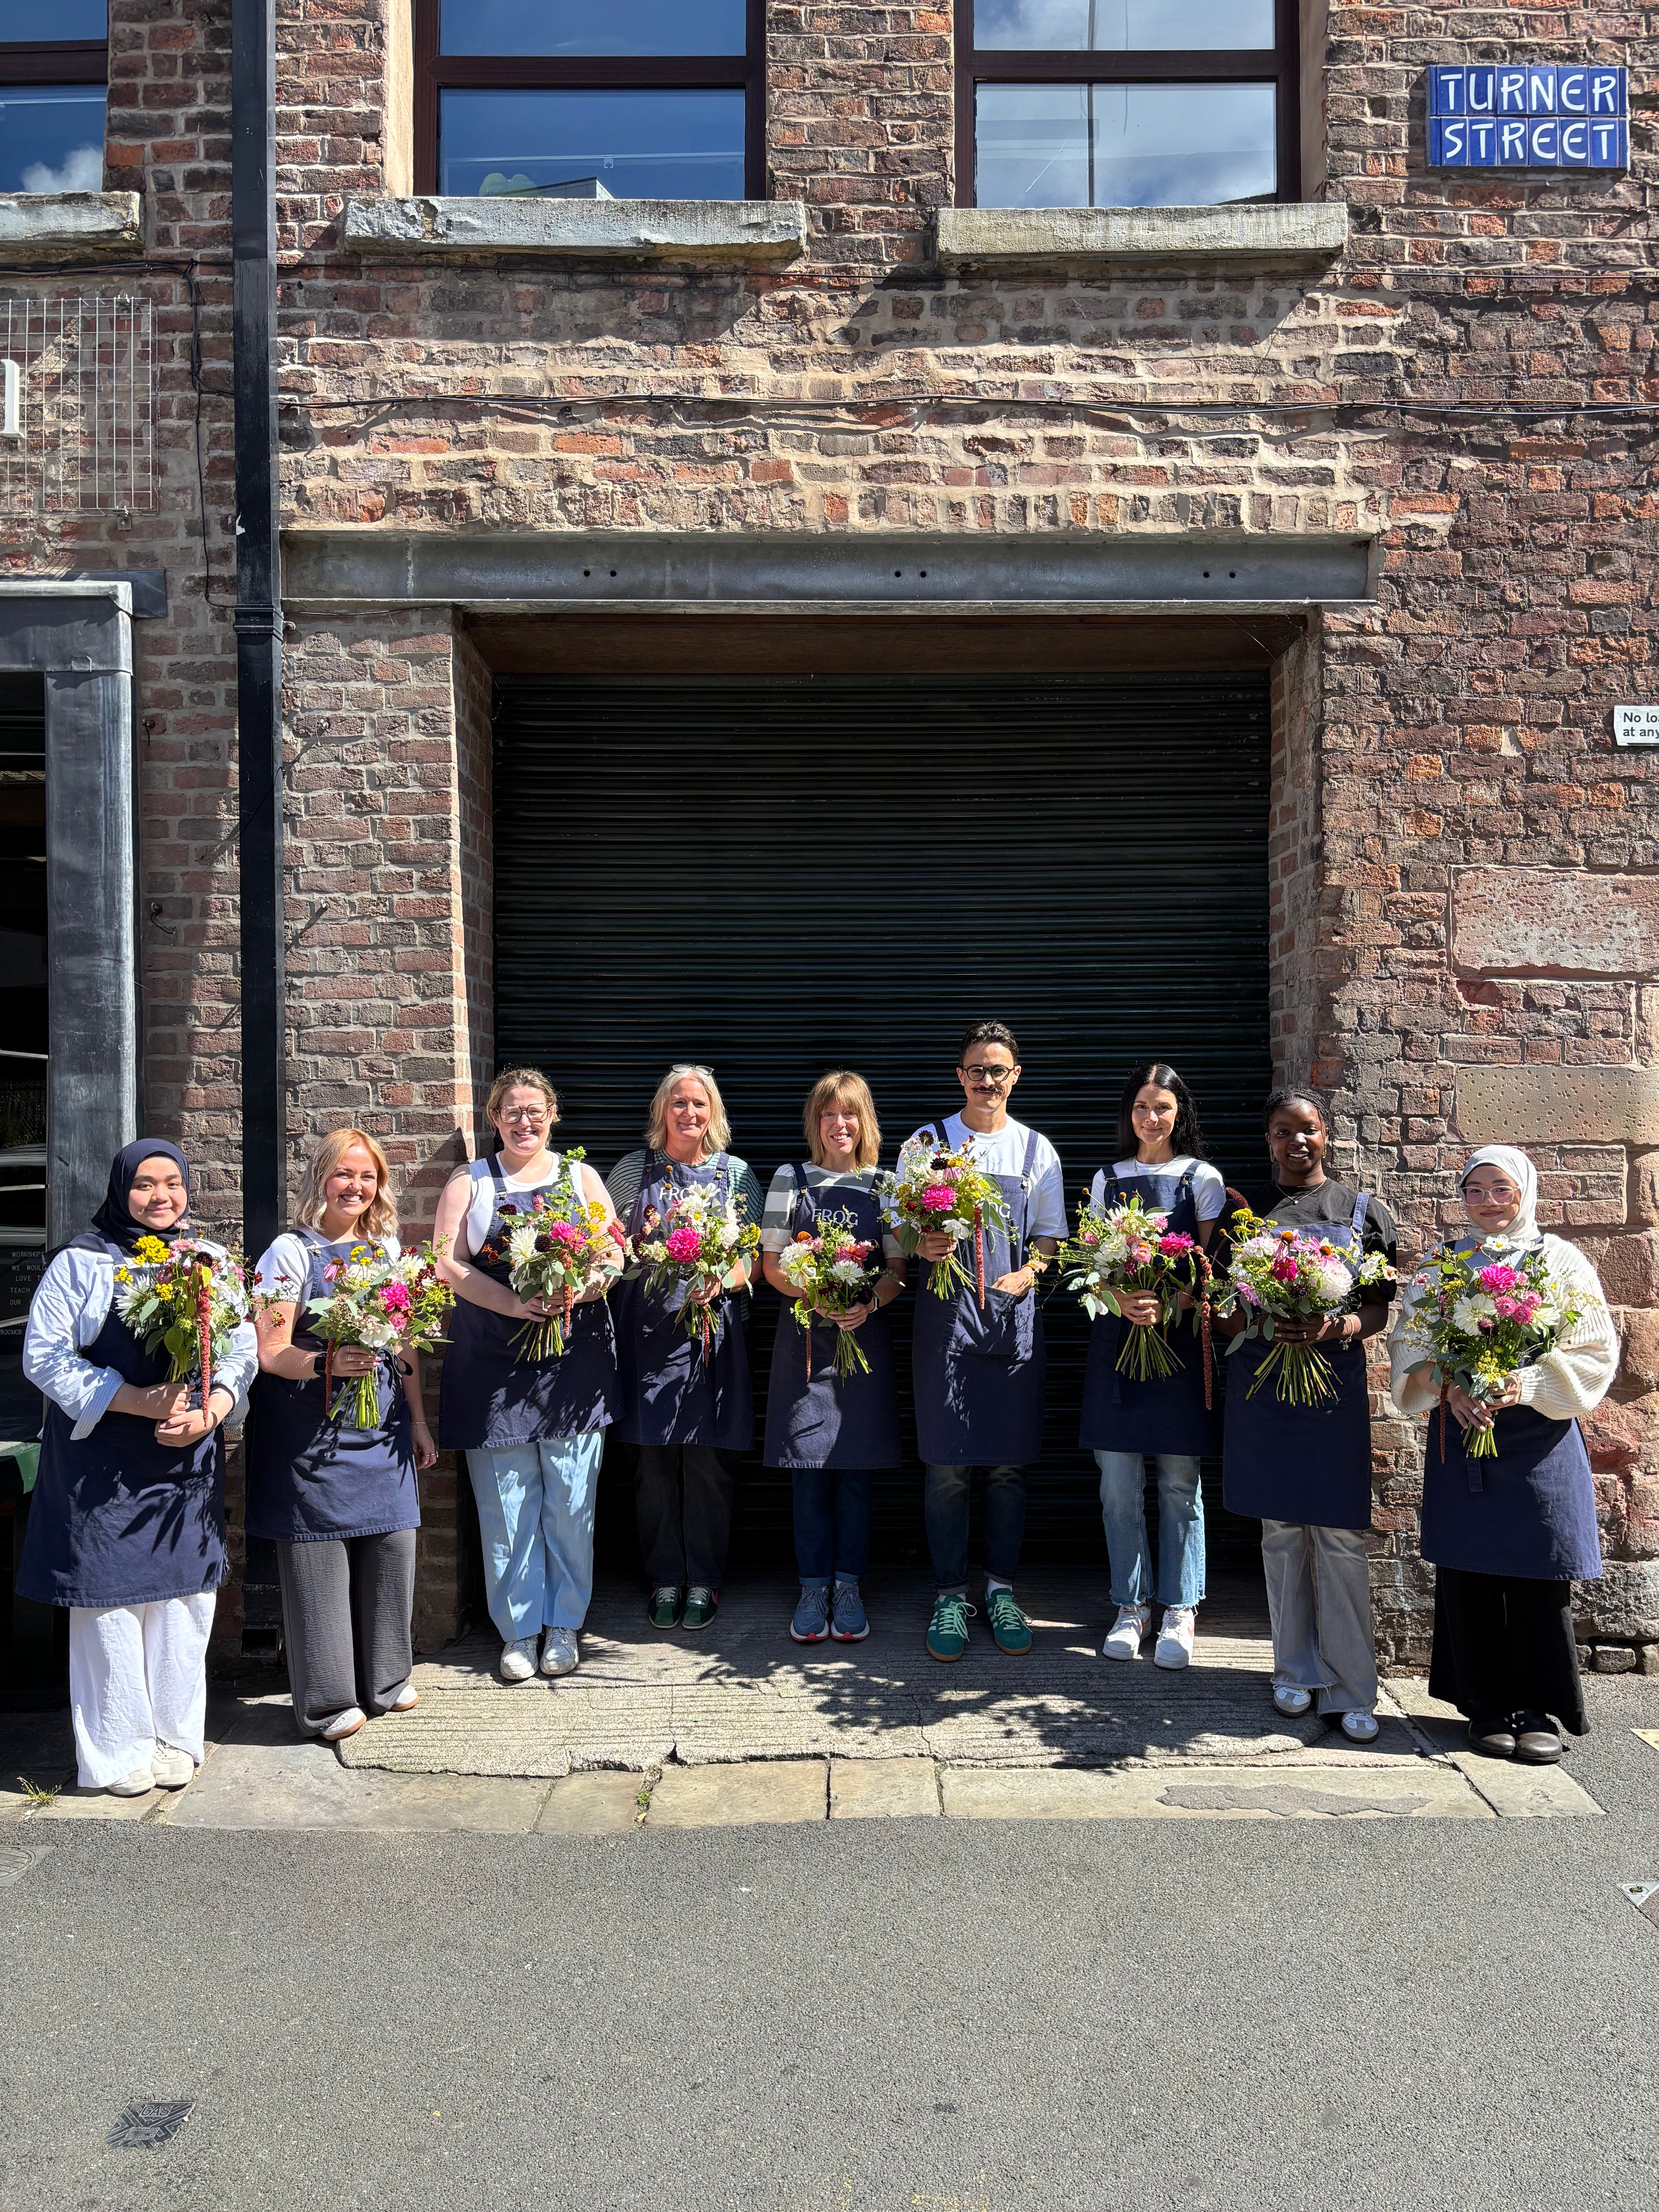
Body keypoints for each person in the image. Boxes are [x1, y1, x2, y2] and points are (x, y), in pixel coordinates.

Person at [15, 1141, 257, 1797]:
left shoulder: (206, 1261)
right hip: (103, 1467)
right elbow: (43, 1356)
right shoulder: (80, 1264)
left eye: (173, 1183)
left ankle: (177, 1737)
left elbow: (240, 1348)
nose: (161, 1197)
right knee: (109, 1605)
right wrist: (136, 1398)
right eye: (146, 1184)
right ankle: (119, 1751)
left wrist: (213, 1410)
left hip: (184, 1460)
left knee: (183, 1601)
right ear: (122, 1190)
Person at [1389, 1145, 1616, 1765]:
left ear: (1525, 1193)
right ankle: (1485, 1705)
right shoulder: (1441, 1266)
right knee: (1471, 1575)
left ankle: (1539, 1707)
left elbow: (1596, 1349)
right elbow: (1409, 1344)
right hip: (1465, 1434)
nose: (1488, 1202)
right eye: (1475, 1190)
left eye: (1501, 1189)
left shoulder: (1561, 1262)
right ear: (1461, 1197)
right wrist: (1452, 1386)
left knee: (1540, 1574)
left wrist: (1528, 1384)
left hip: (1538, 1438)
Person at [1217, 1088, 1398, 1744]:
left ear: (1327, 1136)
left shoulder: (1361, 1212)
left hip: (1332, 1391)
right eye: (1283, 1131)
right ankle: (1292, 1669)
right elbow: (1226, 1309)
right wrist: (1234, 1312)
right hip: (1264, 1390)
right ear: (1268, 1140)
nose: (1297, 1141)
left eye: (1309, 1129)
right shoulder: (1245, 1215)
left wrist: (1338, 1324)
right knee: (1282, 1532)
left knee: (1342, 1537)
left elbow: (1380, 1305)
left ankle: (1353, 1686)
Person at [248, 1128, 436, 1744]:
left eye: (368, 1176)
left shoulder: (385, 1250)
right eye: (344, 1174)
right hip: (312, 1430)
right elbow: (271, 1351)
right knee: (317, 1557)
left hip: (379, 1427)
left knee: (392, 1547)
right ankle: (328, 1702)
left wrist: (417, 1418)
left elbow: (404, 1344)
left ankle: (386, 1681)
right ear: (321, 1178)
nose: (356, 1186)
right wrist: (325, 1363)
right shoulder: (288, 1254)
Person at [435, 1068, 622, 1684]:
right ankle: (518, 1631)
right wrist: (515, 1304)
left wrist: (584, 1285)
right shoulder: (471, 1181)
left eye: (534, 1110)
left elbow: (613, 1253)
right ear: (494, 1118)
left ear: (553, 1115)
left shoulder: (581, 1177)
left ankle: (565, 1625)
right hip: (493, 1362)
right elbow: (447, 1262)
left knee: (571, 1499)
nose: (524, 1121)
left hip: (572, 1362)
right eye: (511, 1111)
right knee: (507, 1502)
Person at [905, 1021, 1065, 1664]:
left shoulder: (1037, 1152)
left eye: (998, 1070)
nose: (987, 1080)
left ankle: (1001, 1589)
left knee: (1006, 1468)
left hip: (1010, 1318)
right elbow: (900, 1228)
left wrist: (1029, 1272)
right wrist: (922, 1242)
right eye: (976, 1069)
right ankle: (949, 1595)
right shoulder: (926, 1143)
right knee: (946, 1468)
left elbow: (1050, 1239)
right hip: (944, 1321)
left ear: (1015, 1077)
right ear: (960, 1075)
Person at [608, 1065, 764, 1632]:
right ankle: (664, 1578)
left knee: (707, 1465)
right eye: (679, 1103)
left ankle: (704, 1580)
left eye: (700, 1104)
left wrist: (726, 1278)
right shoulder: (632, 1171)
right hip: (647, 1337)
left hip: (712, 1337)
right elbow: (609, 1247)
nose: (689, 1113)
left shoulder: (738, 1175)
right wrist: (642, 1260)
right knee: (651, 1466)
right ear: (662, 1110)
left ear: (713, 1113)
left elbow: (757, 1257)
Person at [1083, 1061, 1226, 1671]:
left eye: (1162, 1107)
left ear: (1179, 1114)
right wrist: (1120, 1297)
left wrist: (1172, 1299)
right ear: (1129, 1113)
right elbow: (1090, 1263)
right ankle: (1129, 1604)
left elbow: (1214, 1274)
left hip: (1177, 1349)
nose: (1151, 1118)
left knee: (1178, 1483)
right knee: (1118, 1486)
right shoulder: (1106, 1179)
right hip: (1119, 1345)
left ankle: (1179, 1607)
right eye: (1141, 1107)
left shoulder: (1202, 1179)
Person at [761, 1071, 906, 1645]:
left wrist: (868, 1302)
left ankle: (849, 1586)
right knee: (807, 1474)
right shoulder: (788, 1179)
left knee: (855, 1474)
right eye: (828, 1114)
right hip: (804, 1344)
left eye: (849, 1114)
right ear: (815, 1122)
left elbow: (898, 1270)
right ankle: (813, 1585)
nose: (838, 1124)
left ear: (863, 1122)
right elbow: (772, 1263)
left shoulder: (884, 1184)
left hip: (862, 1344)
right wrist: (813, 1294)